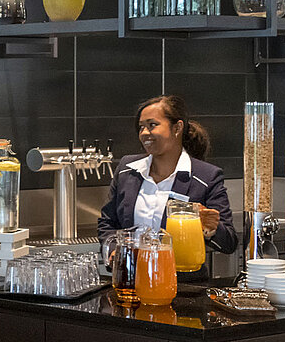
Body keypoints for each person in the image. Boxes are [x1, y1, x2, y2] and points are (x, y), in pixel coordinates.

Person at [97, 93, 237, 269]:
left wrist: (210, 228)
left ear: (177, 128)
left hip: (182, 281)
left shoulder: (206, 177)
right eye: (141, 127)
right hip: (131, 278)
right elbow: (108, 223)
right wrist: (113, 251)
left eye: (152, 125)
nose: (144, 133)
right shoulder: (127, 169)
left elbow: (229, 243)